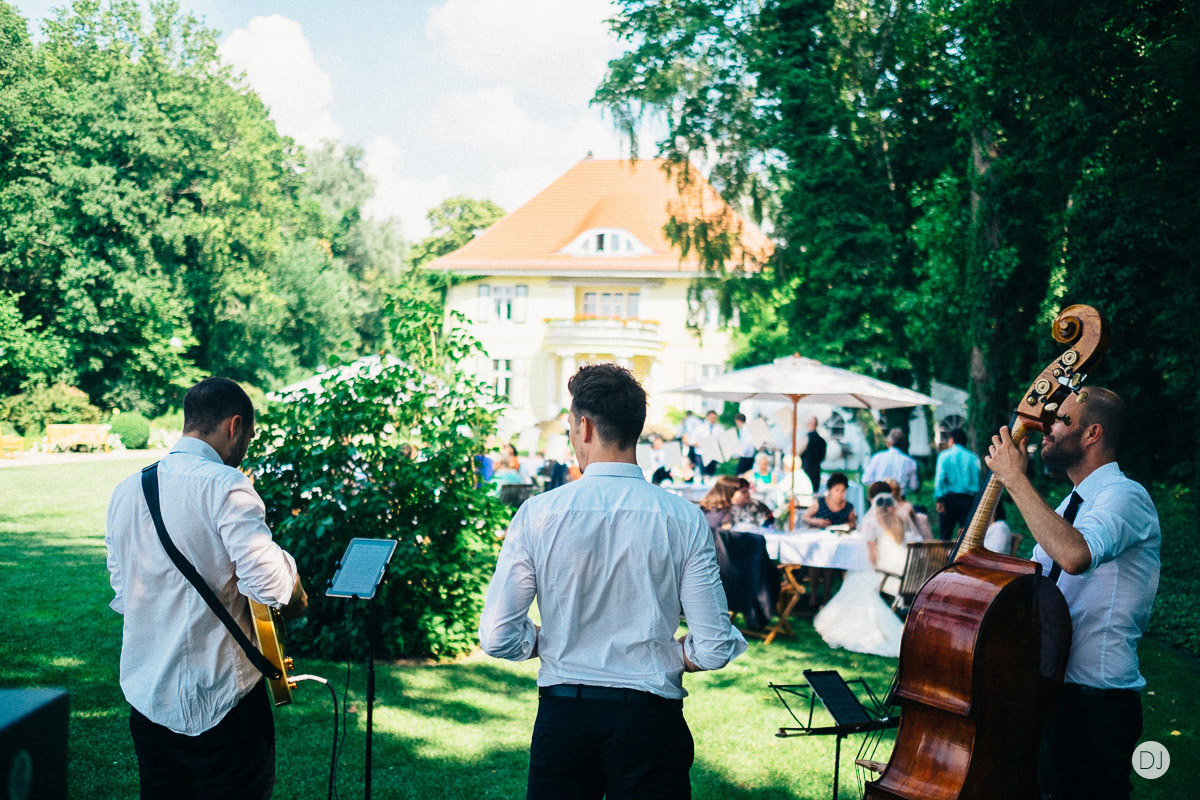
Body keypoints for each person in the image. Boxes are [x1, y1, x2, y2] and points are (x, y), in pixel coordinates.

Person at [478, 364, 747, 799]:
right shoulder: (682, 517)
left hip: (564, 716)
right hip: (649, 719)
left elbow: (496, 636)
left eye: (569, 428)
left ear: (584, 427)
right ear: (635, 428)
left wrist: (547, 640)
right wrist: (674, 652)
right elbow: (715, 647)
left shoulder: (538, 514)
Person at [105, 377, 308, 800]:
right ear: (235, 426)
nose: (247, 445)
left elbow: (123, 592)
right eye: (249, 435)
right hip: (224, 702)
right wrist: (290, 571)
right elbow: (273, 588)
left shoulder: (124, 492)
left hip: (148, 699)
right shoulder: (225, 486)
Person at [985, 387, 1160, 800]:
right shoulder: (1069, 505)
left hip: (1096, 705)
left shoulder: (1126, 496)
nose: (1045, 427)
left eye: (1061, 420)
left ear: (1092, 433)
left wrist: (1014, 478)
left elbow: (1075, 555)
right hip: (1051, 692)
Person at [812, 482, 907, 657]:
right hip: (903, 577)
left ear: (872, 499)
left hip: (886, 577)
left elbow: (872, 557)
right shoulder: (898, 520)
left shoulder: (871, 520)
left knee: (854, 583)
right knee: (856, 581)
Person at [934, 428, 982, 539]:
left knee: (945, 535)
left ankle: (945, 556)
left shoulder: (944, 455)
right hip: (968, 501)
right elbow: (978, 481)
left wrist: (939, 499)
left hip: (949, 500)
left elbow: (939, 478)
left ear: (951, 440)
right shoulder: (974, 458)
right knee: (965, 537)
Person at [861, 428, 919, 495]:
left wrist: (878, 486)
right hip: (898, 500)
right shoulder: (910, 462)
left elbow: (865, 479)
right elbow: (914, 486)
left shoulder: (877, 457)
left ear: (889, 442)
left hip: (879, 499)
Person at [798, 416, 827, 497]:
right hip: (816, 472)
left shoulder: (806, 438)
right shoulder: (822, 441)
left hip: (805, 471)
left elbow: (797, 452)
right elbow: (823, 457)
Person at [697, 410, 725, 476]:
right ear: (707, 417)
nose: (713, 419)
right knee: (702, 473)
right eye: (711, 417)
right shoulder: (700, 428)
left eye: (714, 418)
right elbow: (692, 441)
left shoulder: (719, 428)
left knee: (711, 473)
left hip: (713, 454)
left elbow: (723, 441)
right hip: (702, 453)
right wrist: (703, 444)